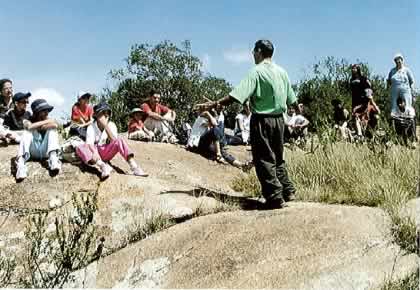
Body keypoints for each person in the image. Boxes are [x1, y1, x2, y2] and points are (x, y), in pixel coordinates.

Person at [194, 39, 297, 209]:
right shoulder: (282, 72)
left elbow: (236, 96)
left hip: (262, 120)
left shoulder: (256, 72)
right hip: (279, 120)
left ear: (258, 51)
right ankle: (288, 191)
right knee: (278, 158)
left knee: (263, 158)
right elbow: (292, 100)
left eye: (253, 52)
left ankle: (275, 197)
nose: (252, 55)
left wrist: (213, 104)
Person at [76, 102, 148, 179]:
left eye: (107, 113)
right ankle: (102, 166)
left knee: (120, 140)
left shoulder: (111, 125)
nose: (106, 115)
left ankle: (134, 167)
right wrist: (94, 152)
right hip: (95, 155)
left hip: (106, 152)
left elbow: (114, 141)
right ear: (96, 115)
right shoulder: (91, 127)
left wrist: (105, 125)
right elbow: (89, 144)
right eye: (103, 113)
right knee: (80, 147)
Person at [15, 99, 61, 180]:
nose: (47, 113)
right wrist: (45, 123)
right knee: (26, 132)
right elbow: (28, 126)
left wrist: (39, 126)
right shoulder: (28, 119)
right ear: (37, 112)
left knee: (52, 130)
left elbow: (55, 125)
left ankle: (53, 160)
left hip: (45, 152)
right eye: (44, 111)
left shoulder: (48, 119)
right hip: (33, 152)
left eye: (47, 110)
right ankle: (21, 165)